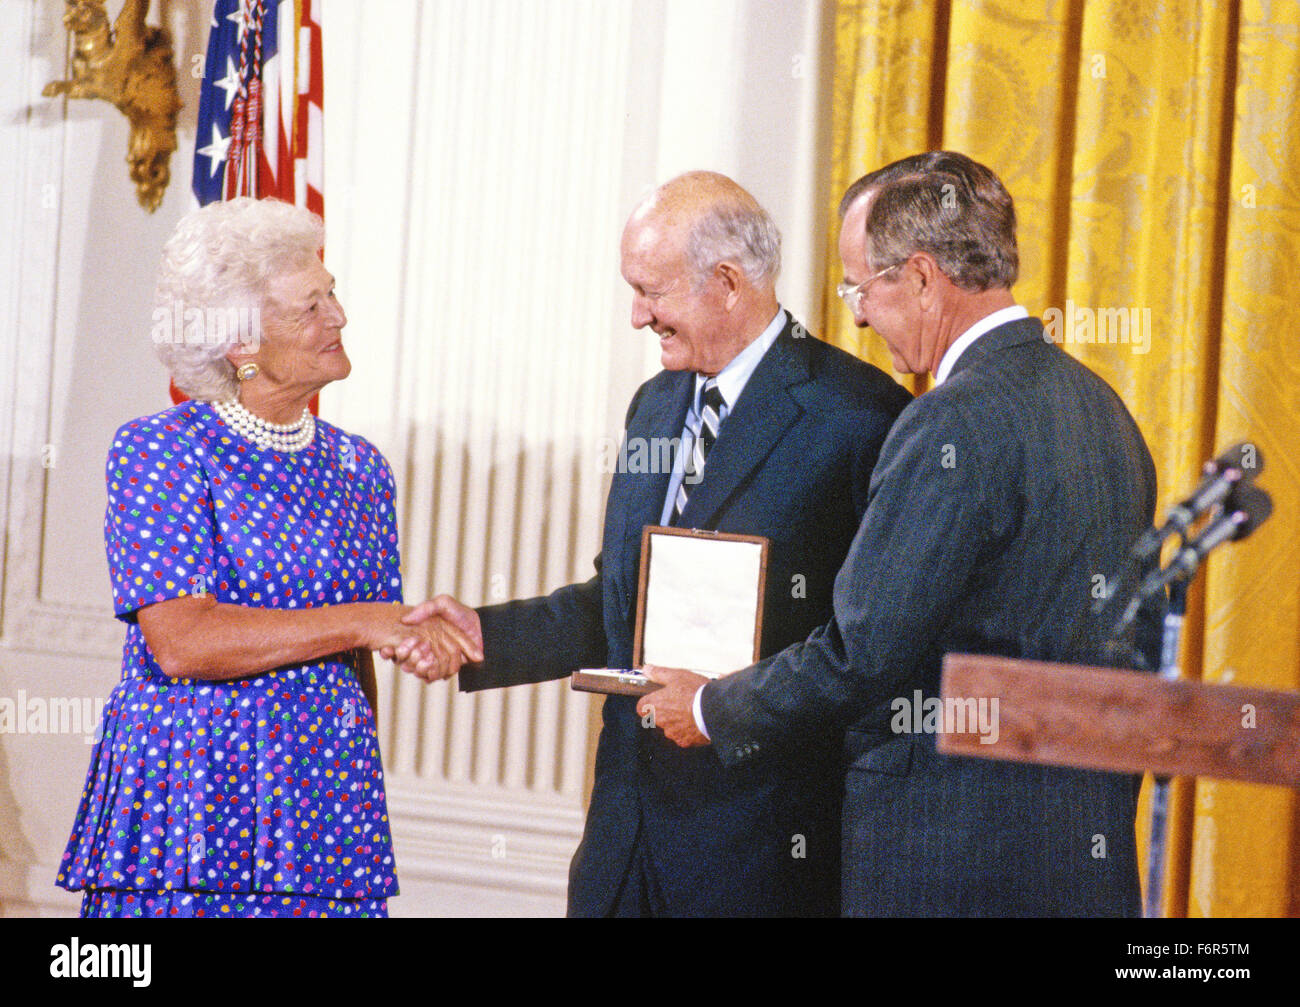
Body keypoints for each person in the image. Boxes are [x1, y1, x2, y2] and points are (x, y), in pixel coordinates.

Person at [642, 152, 1160, 917]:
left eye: (860, 285)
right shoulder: (1104, 411)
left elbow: (860, 652)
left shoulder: (951, 420)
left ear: (920, 276)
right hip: (1079, 854)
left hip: (947, 859)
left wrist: (715, 705)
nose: (853, 313)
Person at [401, 171, 911, 916]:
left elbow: (864, 648)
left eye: (653, 291)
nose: (638, 316)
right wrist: (489, 635)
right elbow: (622, 601)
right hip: (624, 835)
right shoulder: (657, 403)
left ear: (729, 283)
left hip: (759, 852)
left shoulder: (860, 416)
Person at [56, 197, 480, 918]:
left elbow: (367, 648)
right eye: (309, 307)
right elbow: (182, 642)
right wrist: (364, 622)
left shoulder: (361, 468)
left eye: (332, 292)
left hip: (324, 804)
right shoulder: (162, 451)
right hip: (193, 798)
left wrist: (416, 645)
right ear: (241, 346)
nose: (338, 317)